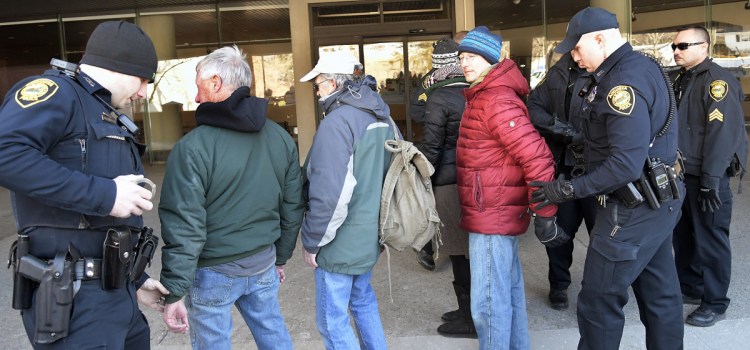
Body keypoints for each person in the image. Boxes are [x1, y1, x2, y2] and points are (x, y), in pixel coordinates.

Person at [0, 21, 169, 348]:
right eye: (143, 79)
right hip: (74, 300)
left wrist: (136, 279)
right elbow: (6, 154)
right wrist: (105, 196)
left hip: (117, 294)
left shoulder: (103, 110)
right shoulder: (58, 94)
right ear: (120, 67)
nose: (143, 92)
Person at [530, 7, 685, 349]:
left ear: (599, 39)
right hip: (656, 204)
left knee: (598, 303)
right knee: (660, 296)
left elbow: (624, 165)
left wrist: (567, 189)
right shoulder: (639, 67)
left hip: (631, 210)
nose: (574, 56)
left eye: (577, 48)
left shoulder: (622, 83)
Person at [157, 45, 303, 349]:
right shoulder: (279, 137)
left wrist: (174, 291)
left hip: (214, 270)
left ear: (215, 83)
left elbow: (185, 225)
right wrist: (281, 257)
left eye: (198, 88)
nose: (196, 99)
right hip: (263, 263)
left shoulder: (192, 148)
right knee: (273, 334)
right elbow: (292, 206)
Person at [455, 26, 566, 350]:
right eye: (462, 57)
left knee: (488, 304)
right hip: (491, 210)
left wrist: (545, 211)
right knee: (507, 293)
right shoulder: (485, 95)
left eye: (473, 56)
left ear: (490, 59)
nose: (465, 63)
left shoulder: (495, 99)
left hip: (492, 214)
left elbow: (537, 157)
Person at [299, 50, 395, 350]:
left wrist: (313, 241)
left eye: (318, 84)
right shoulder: (382, 116)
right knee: (363, 302)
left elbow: (331, 195)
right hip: (370, 235)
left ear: (331, 83)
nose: (316, 91)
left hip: (339, 242)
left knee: (332, 322)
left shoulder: (336, 124)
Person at [670, 25, 748, 327]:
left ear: (704, 46)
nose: (677, 51)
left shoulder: (718, 82)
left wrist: (711, 180)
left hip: (706, 176)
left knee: (711, 242)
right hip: (683, 174)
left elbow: (722, 135)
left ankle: (715, 303)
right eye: (674, 47)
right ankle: (690, 288)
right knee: (685, 237)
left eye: (684, 46)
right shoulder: (681, 79)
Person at [414, 37, 475, 337]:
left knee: (458, 250)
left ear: (438, 68)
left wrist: (421, 173)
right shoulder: (475, 89)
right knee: (469, 249)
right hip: (476, 179)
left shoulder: (437, 96)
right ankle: (469, 311)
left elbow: (432, 147)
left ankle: (470, 318)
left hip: (449, 182)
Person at [527, 52, 598, 310]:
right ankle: (559, 285)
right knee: (560, 234)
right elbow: (533, 106)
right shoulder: (560, 72)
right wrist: (559, 129)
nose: (578, 55)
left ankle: (599, 289)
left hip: (599, 172)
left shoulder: (613, 72)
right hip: (564, 168)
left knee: (602, 237)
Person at [413, 37, 463, 271]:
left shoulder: (431, 83)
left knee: (432, 205)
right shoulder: (474, 84)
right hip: (466, 163)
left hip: (443, 163)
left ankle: (428, 249)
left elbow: (416, 112)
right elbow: (418, 110)